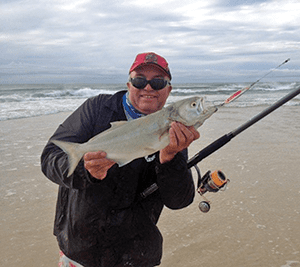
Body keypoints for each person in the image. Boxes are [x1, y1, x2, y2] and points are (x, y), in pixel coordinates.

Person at [41, 52, 200, 267]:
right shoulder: (96, 109)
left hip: (136, 256)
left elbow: (179, 200)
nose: (148, 87)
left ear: (168, 90)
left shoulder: (173, 129)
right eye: (139, 80)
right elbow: (50, 157)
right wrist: (85, 171)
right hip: (80, 250)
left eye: (158, 82)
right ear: (129, 84)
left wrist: (170, 159)